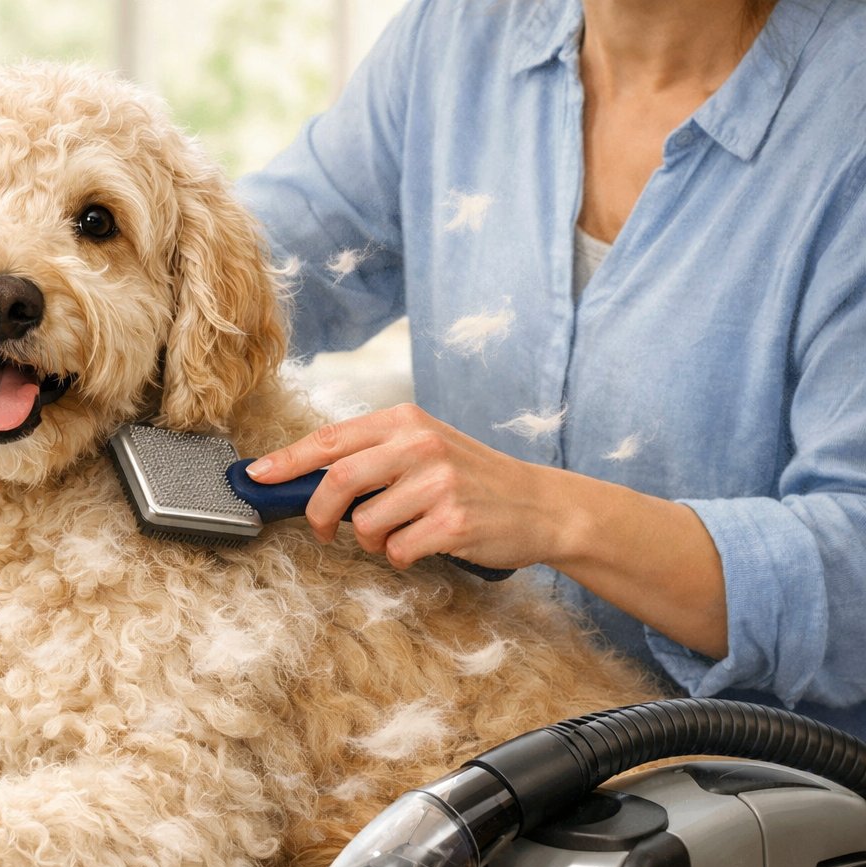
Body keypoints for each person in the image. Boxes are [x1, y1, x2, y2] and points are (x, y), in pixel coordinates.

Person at [237, 0, 866, 736]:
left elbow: (852, 574)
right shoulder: (460, 33)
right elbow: (247, 272)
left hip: (752, 789)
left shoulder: (842, 121)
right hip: (484, 738)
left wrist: (552, 514)